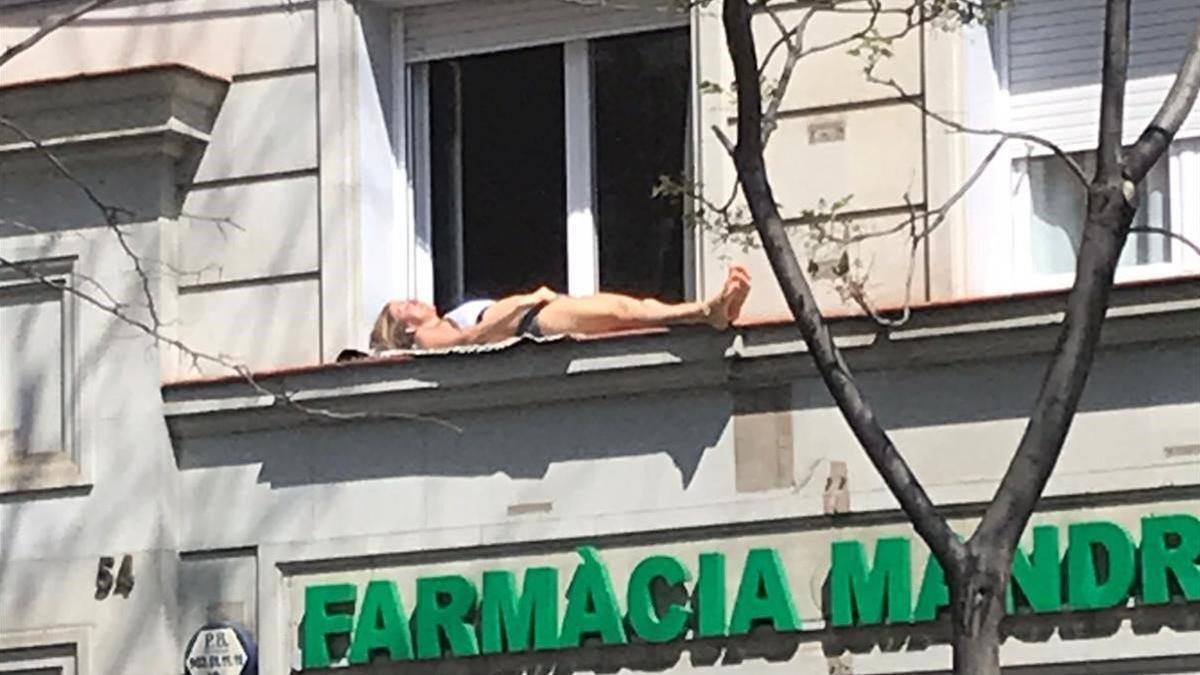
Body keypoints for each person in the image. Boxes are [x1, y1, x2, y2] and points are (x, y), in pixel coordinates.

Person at [370, 266, 751, 351]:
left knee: (629, 309)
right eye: (402, 306)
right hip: (532, 322)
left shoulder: (443, 318)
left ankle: (705, 311)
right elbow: (472, 338)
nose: (413, 300)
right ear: (401, 329)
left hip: (535, 315)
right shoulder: (426, 335)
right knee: (621, 312)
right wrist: (528, 300)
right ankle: (707, 311)